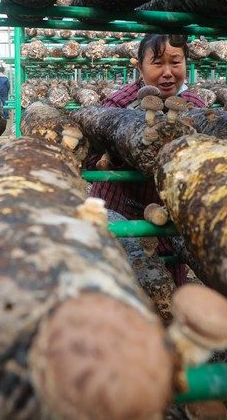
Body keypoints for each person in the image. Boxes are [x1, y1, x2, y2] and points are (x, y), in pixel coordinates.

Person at [88, 34, 206, 285]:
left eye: (175, 63)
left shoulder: (194, 106)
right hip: (119, 206)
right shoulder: (118, 104)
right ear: (139, 66)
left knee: (166, 282)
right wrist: (119, 155)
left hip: (164, 212)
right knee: (117, 280)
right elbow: (90, 158)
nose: (167, 72)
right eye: (157, 63)